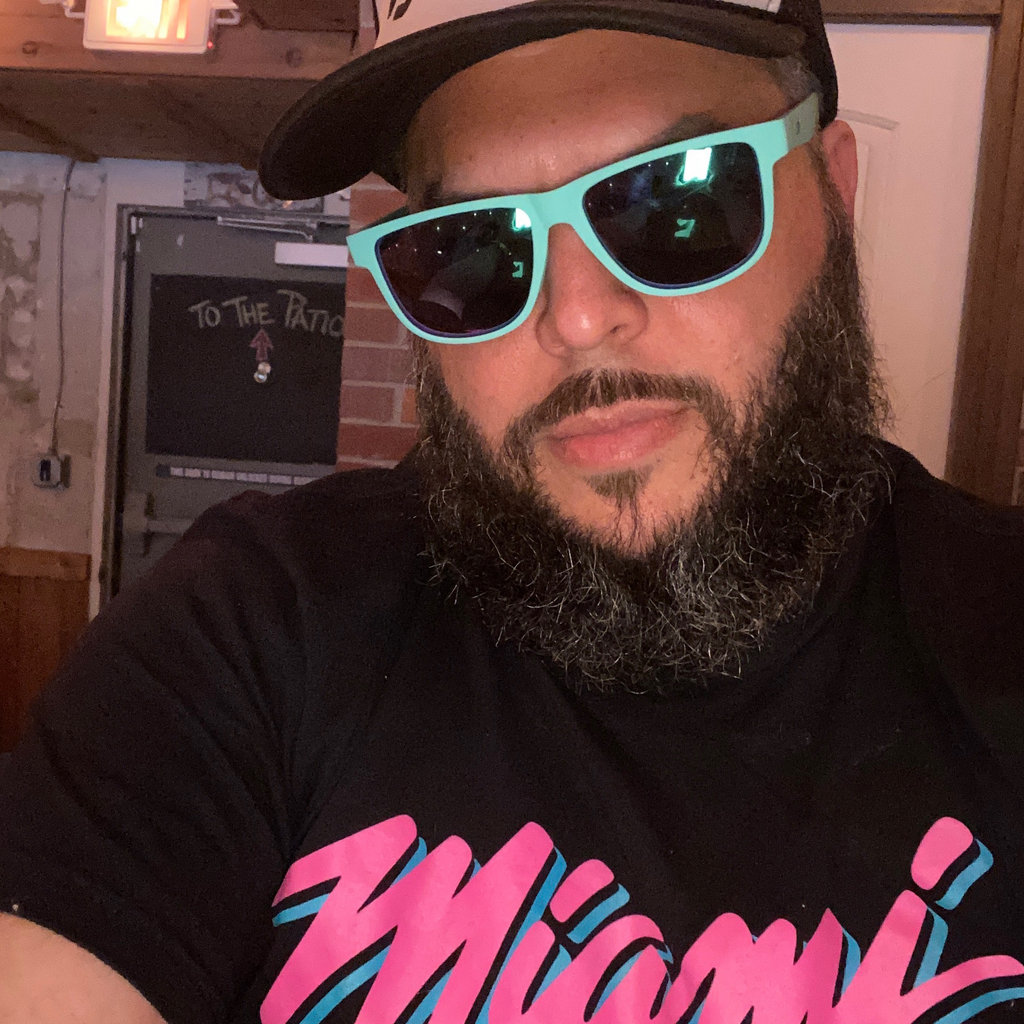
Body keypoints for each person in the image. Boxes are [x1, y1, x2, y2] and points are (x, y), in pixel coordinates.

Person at [1, 0, 1023, 1020]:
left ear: (834, 192)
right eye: (471, 246)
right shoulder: (248, 626)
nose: (575, 316)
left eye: (678, 200)